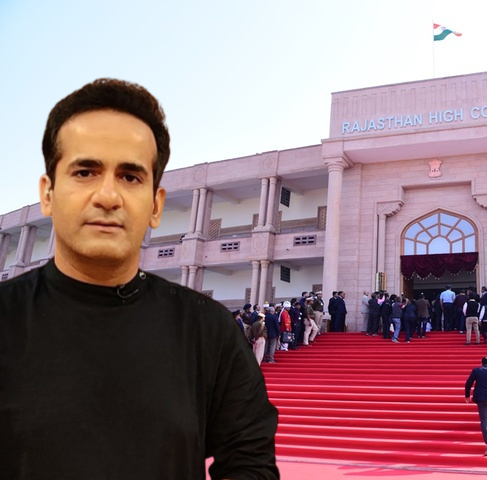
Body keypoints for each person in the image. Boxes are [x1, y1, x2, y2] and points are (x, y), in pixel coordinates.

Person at [0, 78, 278, 479]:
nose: (107, 196)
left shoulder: (207, 330)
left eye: (130, 177)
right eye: (85, 172)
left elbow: (251, 462)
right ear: (48, 193)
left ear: (156, 205)